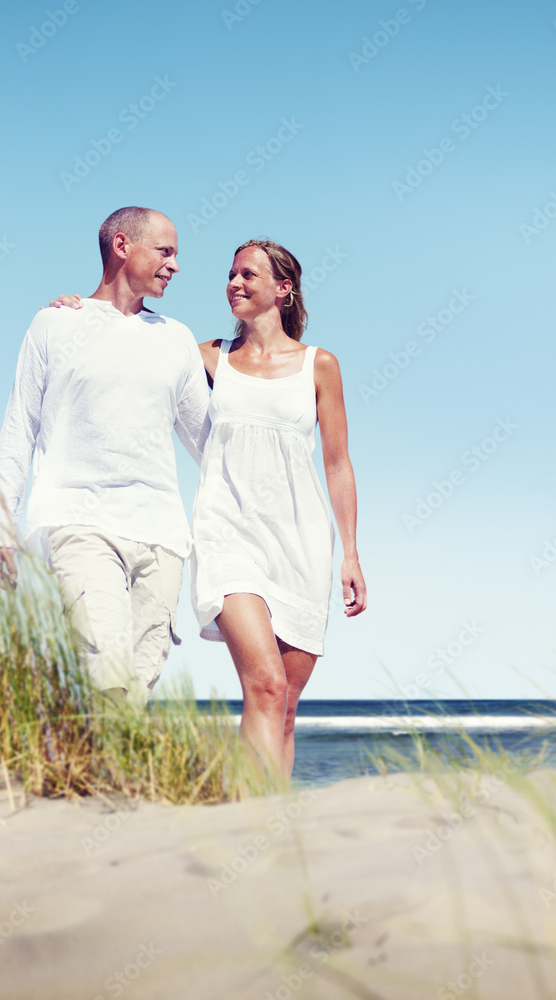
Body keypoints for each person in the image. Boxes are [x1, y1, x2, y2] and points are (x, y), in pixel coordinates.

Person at [0, 207, 210, 709]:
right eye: (166, 251)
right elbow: (18, 430)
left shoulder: (176, 338)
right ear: (123, 246)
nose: (175, 265)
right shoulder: (54, 324)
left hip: (161, 536)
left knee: (138, 683)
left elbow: (209, 445)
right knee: (105, 672)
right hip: (78, 522)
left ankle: (105, 782)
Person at [191, 239, 366, 779]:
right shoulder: (208, 356)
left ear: (283, 289)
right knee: (264, 683)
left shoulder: (320, 365)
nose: (234, 283)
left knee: (285, 703)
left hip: (301, 542)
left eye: (248, 274)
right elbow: (135, 341)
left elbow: (337, 464)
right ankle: (250, 821)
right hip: (227, 535)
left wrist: (352, 555)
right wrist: (82, 308)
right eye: (231, 274)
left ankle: (274, 830)